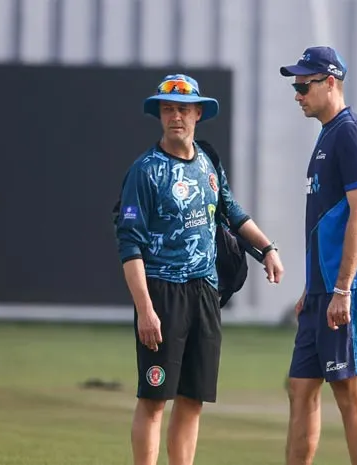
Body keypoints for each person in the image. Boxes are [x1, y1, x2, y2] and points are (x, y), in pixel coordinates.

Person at [114, 73, 284, 465]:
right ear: (160, 114)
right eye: (169, 109)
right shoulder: (145, 171)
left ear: (198, 114)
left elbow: (231, 210)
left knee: (193, 398)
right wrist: (145, 309)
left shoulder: (207, 161)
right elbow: (130, 244)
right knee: (155, 399)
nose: (176, 116)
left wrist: (267, 249)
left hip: (205, 292)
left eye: (184, 110)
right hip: (162, 292)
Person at [279, 46, 357, 465]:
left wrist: (341, 287)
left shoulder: (350, 133)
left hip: (349, 288)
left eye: (305, 84)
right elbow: (327, 223)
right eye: (295, 85)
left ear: (331, 82)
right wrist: (313, 287)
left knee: (349, 393)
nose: (298, 93)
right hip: (323, 290)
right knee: (300, 387)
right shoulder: (327, 134)